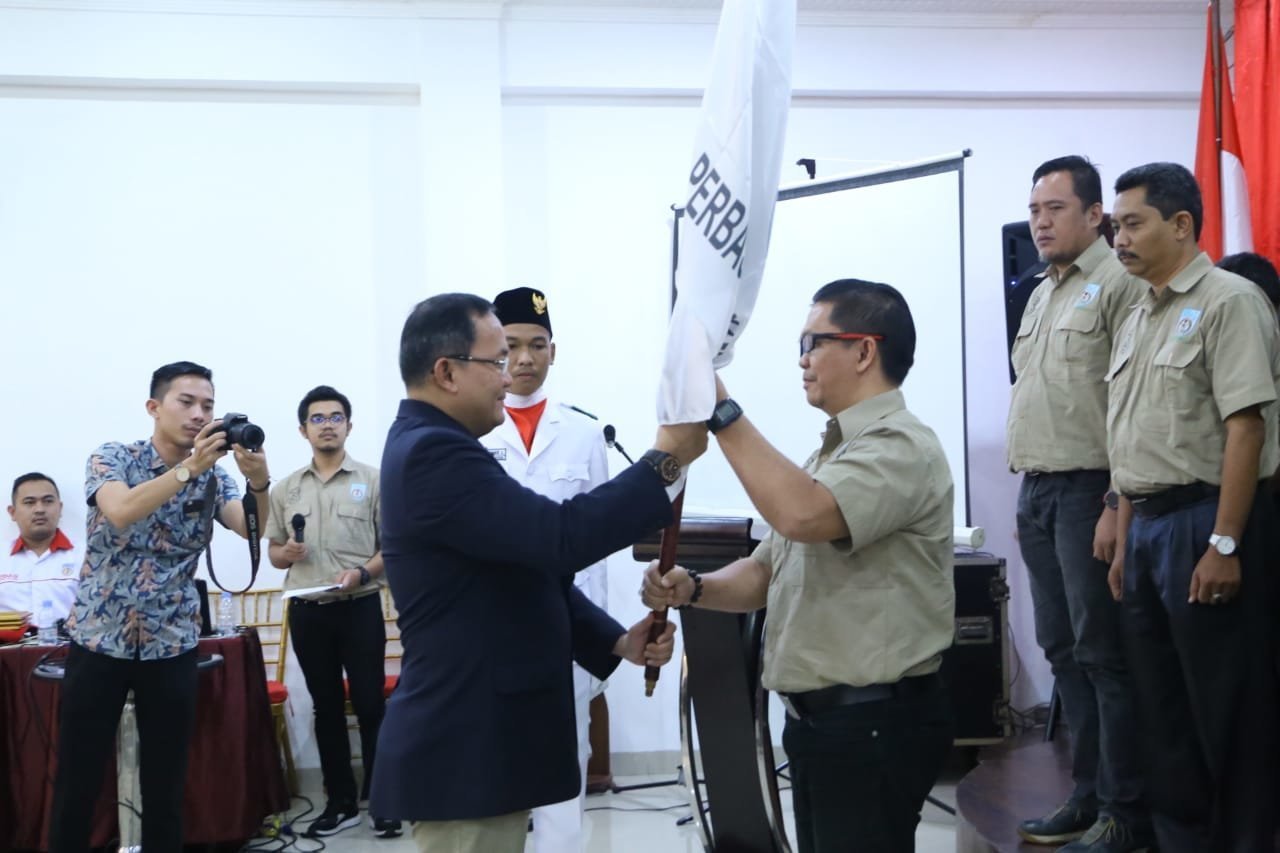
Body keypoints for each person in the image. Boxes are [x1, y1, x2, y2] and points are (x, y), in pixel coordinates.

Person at [369, 292, 703, 853]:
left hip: (489, 739)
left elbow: (523, 568)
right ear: (446, 372)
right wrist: (663, 461)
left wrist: (617, 641)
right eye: (496, 361)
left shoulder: (442, 445)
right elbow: (559, 538)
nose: (508, 377)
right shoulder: (434, 453)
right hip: (466, 749)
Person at [643, 279, 955, 853]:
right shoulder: (831, 456)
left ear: (864, 350)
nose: (803, 360)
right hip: (825, 725)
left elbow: (802, 515)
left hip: (873, 723)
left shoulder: (901, 446)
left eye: (814, 342)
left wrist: (721, 412)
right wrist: (693, 588)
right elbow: (765, 572)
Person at [1106, 162, 1280, 852]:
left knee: (1226, 708)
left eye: (1133, 223)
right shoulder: (1136, 313)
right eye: (1116, 225)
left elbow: (1247, 428)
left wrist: (1225, 542)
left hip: (1203, 521)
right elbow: (1132, 442)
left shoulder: (1230, 301)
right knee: (1161, 708)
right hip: (1146, 526)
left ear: (1182, 224)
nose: (1119, 239)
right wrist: (1124, 540)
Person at [50, 361, 272, 852]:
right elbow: (121, 510)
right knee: (78, 777)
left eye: (208, 406)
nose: (199, 415)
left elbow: (252, 528)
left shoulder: (216, 478)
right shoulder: (113, 457)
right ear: (154, 407)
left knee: (167, 782)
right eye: (186, 402)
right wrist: (188, 469)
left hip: (172, 642)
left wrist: (259, 483)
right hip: (99, 638)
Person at [1006, 156, 1151, 851]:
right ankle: (1086, 795)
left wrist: (1116, 501)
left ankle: (1124, 811)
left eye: (1055, 208)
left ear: (1095, 215)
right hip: (1038, 491)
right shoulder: (1042, 293)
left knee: (1102, 654)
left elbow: (1132, 402)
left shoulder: (1120, 284)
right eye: (1035, 210)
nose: (1040, 222)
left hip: (1090, 489)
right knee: (1062, 650)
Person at [479, 286, 609, 853]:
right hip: (494, 628)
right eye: (510, 346)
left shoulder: (584, 432)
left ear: (553, 351)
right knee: (495, 768)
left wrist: (599, 639)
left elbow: (600, 541)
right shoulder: (472, 433)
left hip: (566, 628)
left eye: (537, 345)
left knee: (565, 766)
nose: (524, 358)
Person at [266, 386, 399, 838]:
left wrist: (362, 573)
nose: (327, 425)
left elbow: (390, 547)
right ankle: (340, 802)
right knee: (325, 707)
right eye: (318, 418)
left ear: (349, 425)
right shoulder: (286, 488)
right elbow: (274, 554)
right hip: (308, 611)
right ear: (303, 429)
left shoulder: (374, 481)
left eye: (336, 417)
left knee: (370, 704)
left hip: (359, 606)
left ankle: (383, 801)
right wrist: (287, 552)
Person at [2, 473, 83, 625]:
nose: (39, 509)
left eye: (48, 501)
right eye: (29, 502)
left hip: (69, 640)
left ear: (60, 508)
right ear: (12, 512)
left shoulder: (87, 556)